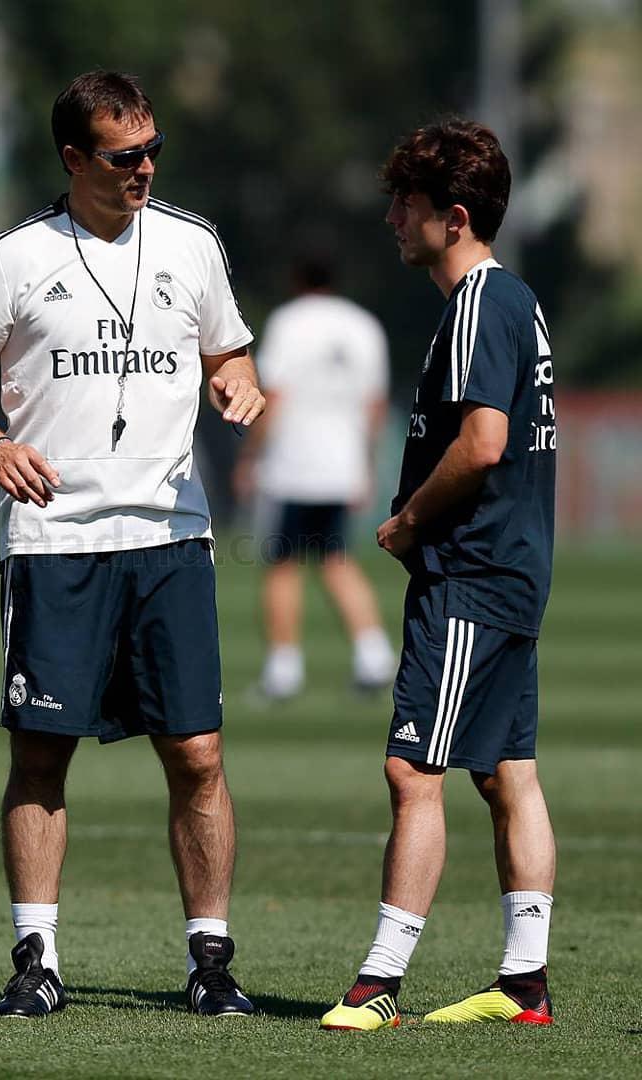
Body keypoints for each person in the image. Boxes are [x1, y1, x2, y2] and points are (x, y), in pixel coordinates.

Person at [0, 70, 265, 1018]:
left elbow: (230, 352)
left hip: (171, 536)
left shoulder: (193, 243)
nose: (145, 168)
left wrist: (240, 381)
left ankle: (210, 962)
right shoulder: (16, 255)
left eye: (153, 149)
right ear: (75, 158)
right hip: (53, 541)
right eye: (124, 156)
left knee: (197, 752)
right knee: (42, 753)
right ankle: (36, 959)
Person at [321, 119, 557, 1031]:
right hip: (511, 569)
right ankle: (525, 984)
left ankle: (379, 984)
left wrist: (410, 518)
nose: (392, 218)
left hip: (472, 571)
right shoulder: (514, 298)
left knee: (412, 767)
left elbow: (484, 443)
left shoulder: (478, 304)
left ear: (453, 218)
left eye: (406, 204)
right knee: (505, 771)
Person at [238, 255, 395, 699]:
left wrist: (250, 455)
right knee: (336, 559)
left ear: (296, 279)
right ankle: (374, 655)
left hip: (293, 464)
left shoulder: (289, 322)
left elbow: (275, 394)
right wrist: (366, 466)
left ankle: (283, 670)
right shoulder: (364, 326)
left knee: (283, 565)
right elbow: (375, 406)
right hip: (342, 465)